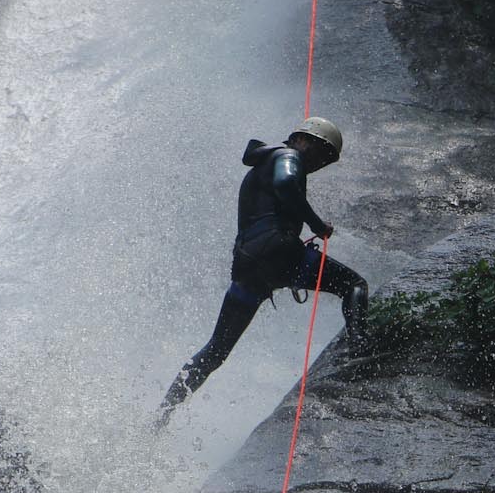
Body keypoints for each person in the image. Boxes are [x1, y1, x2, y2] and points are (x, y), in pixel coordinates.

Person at [158, 116, 368, 421]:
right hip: (279, 251)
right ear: (302, 140)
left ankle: (163, 413)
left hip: (248, 266)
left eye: (327, 161)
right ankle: (361, 354)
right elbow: (285, 183)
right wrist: (317, 225)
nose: (320, 163)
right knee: (354, 285)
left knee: (216, 349)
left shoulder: (265, 162)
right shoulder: (287, 156)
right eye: (321, 154)